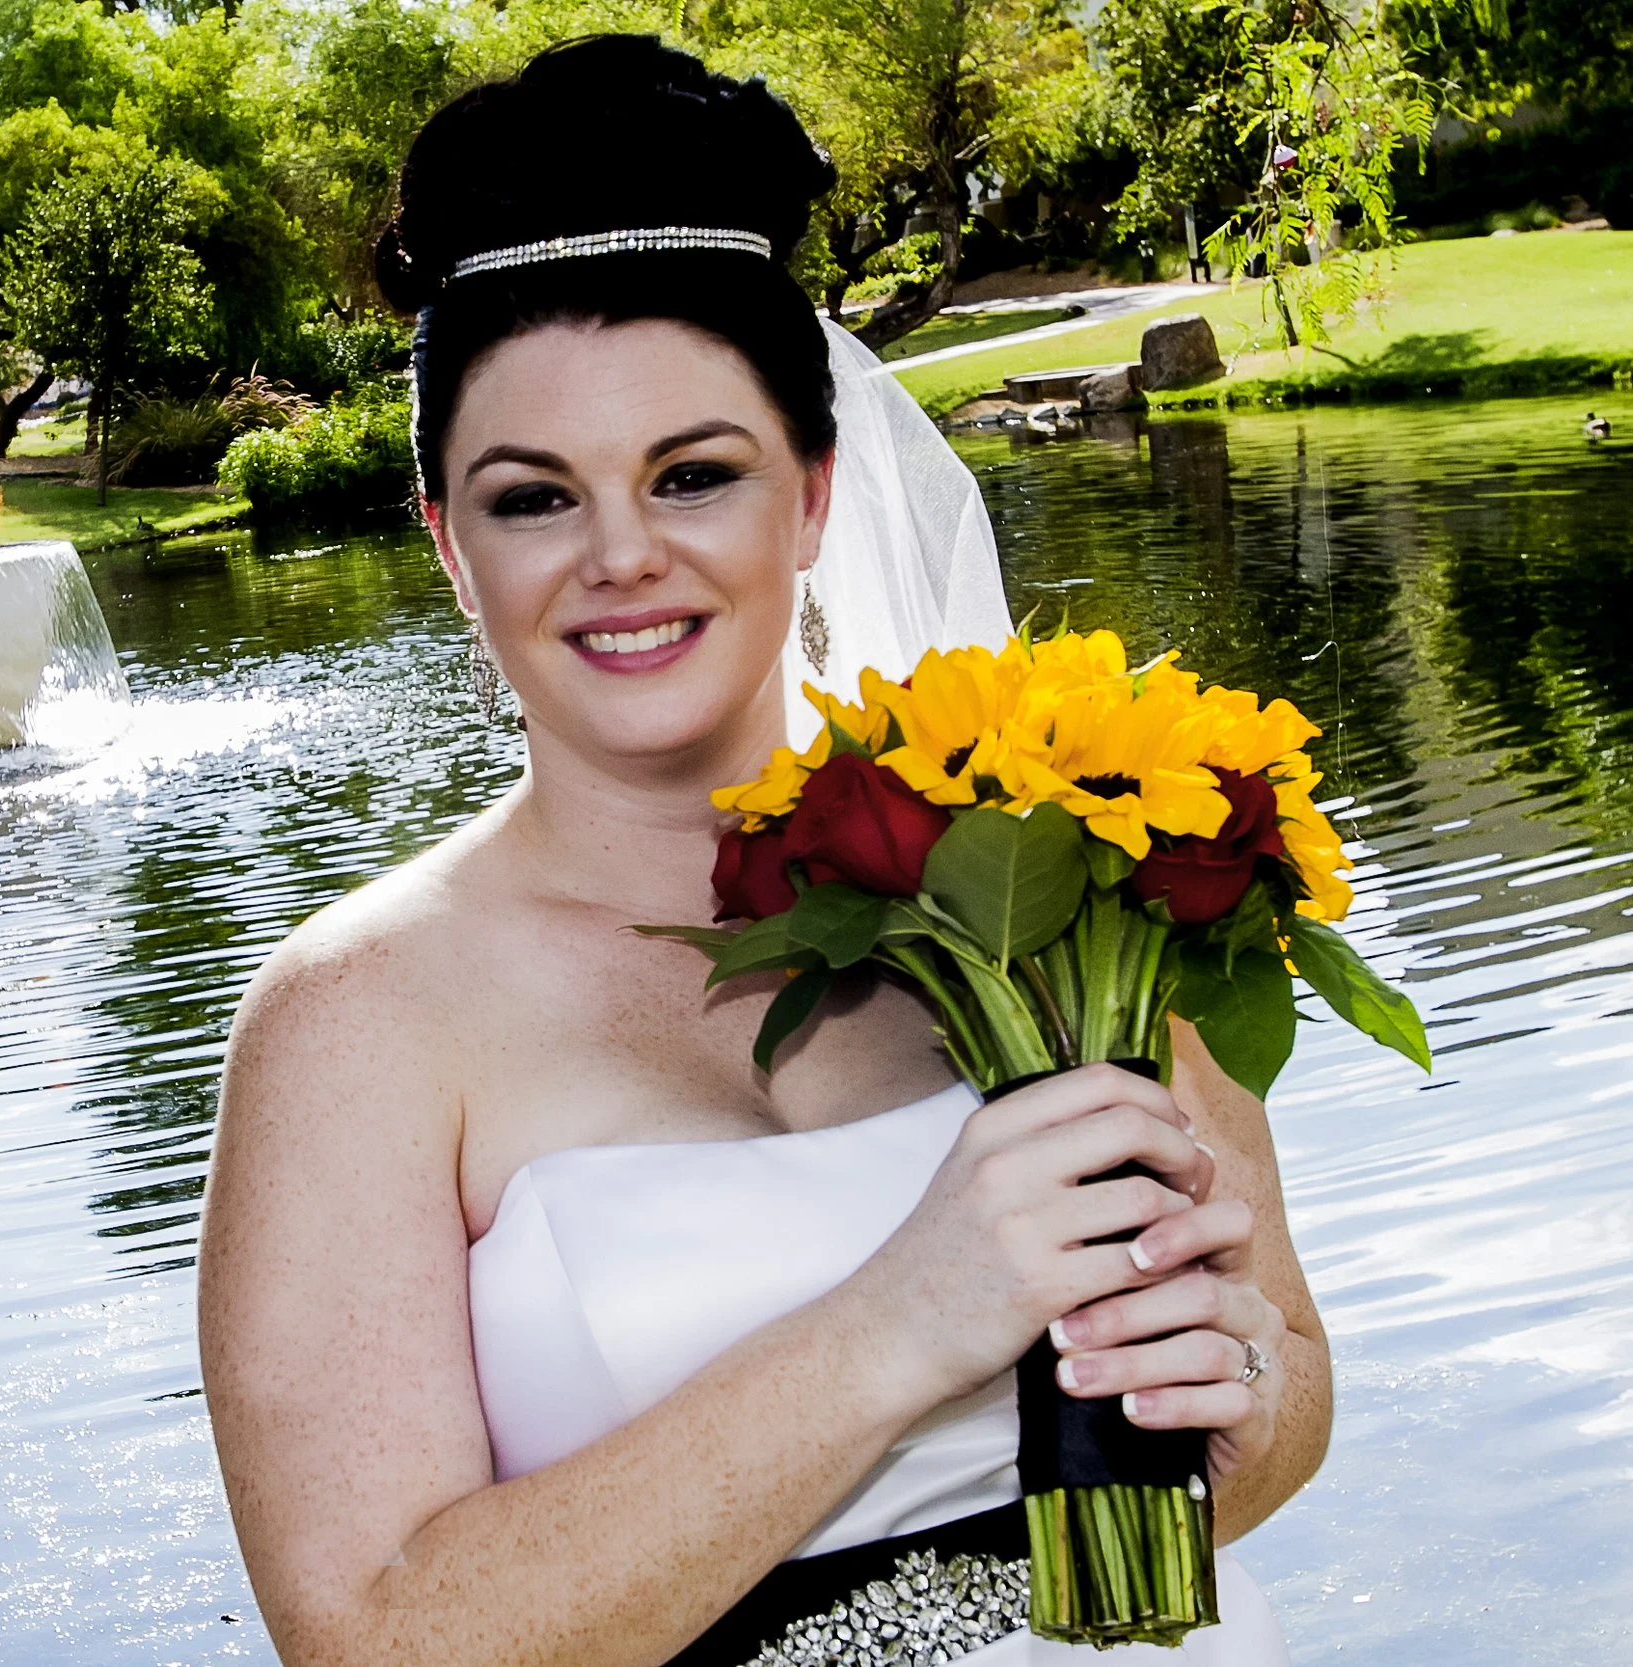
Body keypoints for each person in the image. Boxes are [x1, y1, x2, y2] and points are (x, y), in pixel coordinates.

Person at [197, 36, 1325, 1667]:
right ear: (448, 542)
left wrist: (1247, 1393)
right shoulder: (356, 1022)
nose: (623, 557)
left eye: (695, 474)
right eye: (532, 499)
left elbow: (1285, 1390)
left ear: (810, 494)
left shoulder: (1076, 859)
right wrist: (900, 1319)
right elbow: (371, 1635)